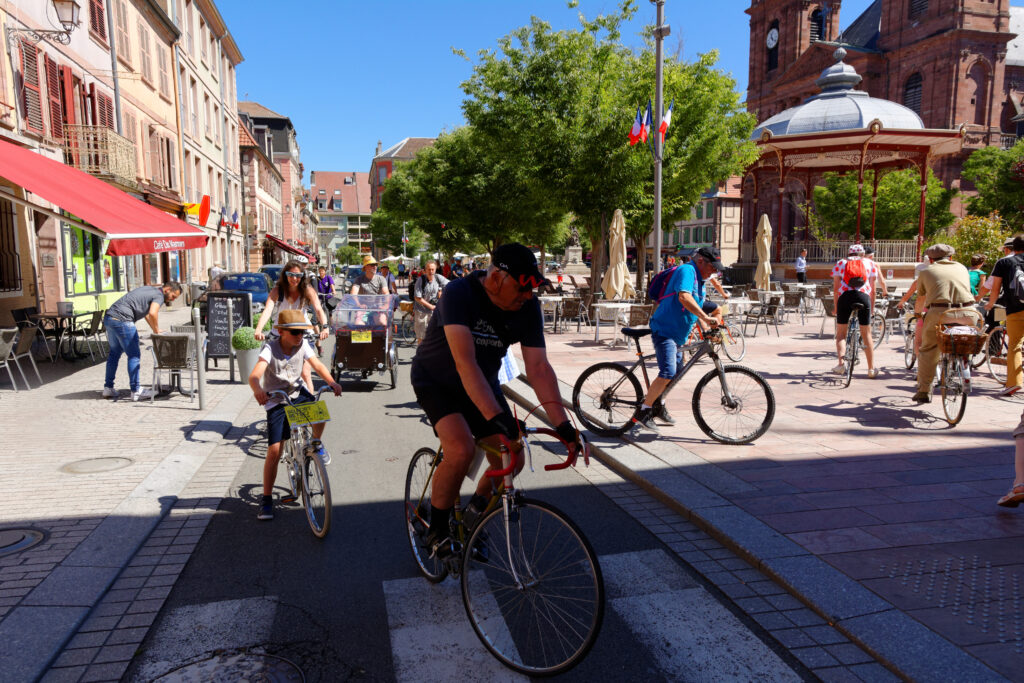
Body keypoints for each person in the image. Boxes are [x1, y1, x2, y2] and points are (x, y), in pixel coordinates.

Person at [410, 243, 583, 558]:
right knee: (461, 449)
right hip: (437, 381)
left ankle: (475, 514)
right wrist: (495, 416)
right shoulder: (459, 294)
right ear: (496, 278)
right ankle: (436, 527)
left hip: (482, 383)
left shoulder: (526, 307)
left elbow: (539, 368)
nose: (528, 296)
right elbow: (465, 364)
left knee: (511, 457)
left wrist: (564, 427)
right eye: (521, 287)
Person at [248, 310, 342, 521]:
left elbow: (317, 365)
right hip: (276, 399)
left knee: (319, 413)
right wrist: (258, 390)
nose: (299, 336)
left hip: (297, 393)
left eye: (302, 332)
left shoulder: (303, 345)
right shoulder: (269, 349)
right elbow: (254, 376)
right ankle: (266, 499)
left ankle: (316, 443)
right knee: (274, 451)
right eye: (295, 332)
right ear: (281, 331)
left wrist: (331, 382)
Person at [635, 247, 724, 431]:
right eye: (713, 267)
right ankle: (643, 412)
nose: (715, 271)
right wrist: (707, 318)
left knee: (677, 373)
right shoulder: (687, 271)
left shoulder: (700, 281)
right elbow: (684, 297)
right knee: (668, 371)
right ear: (701, 261)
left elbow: (695, 308)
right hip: (665, 330)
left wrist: (707, 328)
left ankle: (658, 404)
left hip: (678, 335)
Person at [912, 244, 982, 403]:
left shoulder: (926, 271)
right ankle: (963, 362)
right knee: (963, 340)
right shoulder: (963, 268)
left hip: (940, 313)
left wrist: (918, 314)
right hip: (969, 312)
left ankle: (923, 390)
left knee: (928, 349)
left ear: (930, 259)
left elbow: (921, 298)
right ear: (950, 257)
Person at [102, 282, 182, 401]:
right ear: (168, 289)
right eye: (173, 296)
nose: (173, 299)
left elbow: (146, 314)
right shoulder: (159, 296)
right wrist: (156, 331)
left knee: (114, 353)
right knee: (134, 355)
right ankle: (136, 390)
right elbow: (152, 313)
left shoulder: (148, 289)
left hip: (109, 318)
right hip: (124, 320)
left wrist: (156, 329)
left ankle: (108, 388)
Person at [831, 244, 886, 378]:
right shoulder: (870, 263)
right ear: (863, 254)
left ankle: (841, 364)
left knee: (841, 334)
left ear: (849, 253)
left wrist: (836, 307)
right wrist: (871, 308)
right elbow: (873, 289)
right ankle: (871, 369)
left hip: (845, 297)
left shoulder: (841, 263)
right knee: (866, 334)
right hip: (863, 297)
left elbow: (836, 288)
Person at [254, 260, 330, 347]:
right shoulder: (278, 290)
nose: (294, 278)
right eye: (291, 274)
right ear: (285, 275)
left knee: (307, 359)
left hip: (302, 333)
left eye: (298, 275)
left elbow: (318, 309)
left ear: (302, 276)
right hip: (280, 334)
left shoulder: (307, 289)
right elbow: (267, 310)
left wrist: (325, 327)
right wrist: (258, 329)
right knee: (267, 357)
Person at [985, 235, 1024, 396]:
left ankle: (1014, 383)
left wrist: (990, 304)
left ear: (1013, 248)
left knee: (1015, 345)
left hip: (1015, 309)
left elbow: (995, 288)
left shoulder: (1004, 262)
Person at [897, 254, 932, 359]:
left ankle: (920, 368)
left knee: (918, 340)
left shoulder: (920, 281)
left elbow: (911, 295)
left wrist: (901, 303)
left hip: (928, 310)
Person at [413, 260, 449, 344]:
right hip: (421, 312)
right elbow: (417, 298)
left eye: (433, 269)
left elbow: (451, 285)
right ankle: (421, 356)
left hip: (434, 312)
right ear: (425, 270)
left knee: (434, 336)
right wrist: (431, 306)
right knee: (422, 338)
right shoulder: (420, 280)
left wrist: (442, 291)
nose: (431, 271)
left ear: (436, 270)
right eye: (429, 269)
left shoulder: (438, 278)